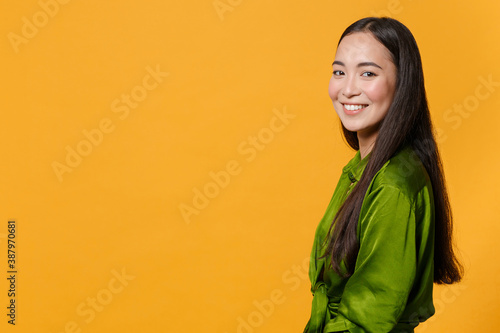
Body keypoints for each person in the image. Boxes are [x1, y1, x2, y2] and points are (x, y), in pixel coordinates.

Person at [303, 17, 463, 333]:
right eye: (339, 72)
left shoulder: (392, 184)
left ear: (403, 84)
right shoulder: (365, 170)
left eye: (368, 73)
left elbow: (367, 319)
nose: (347, 89)